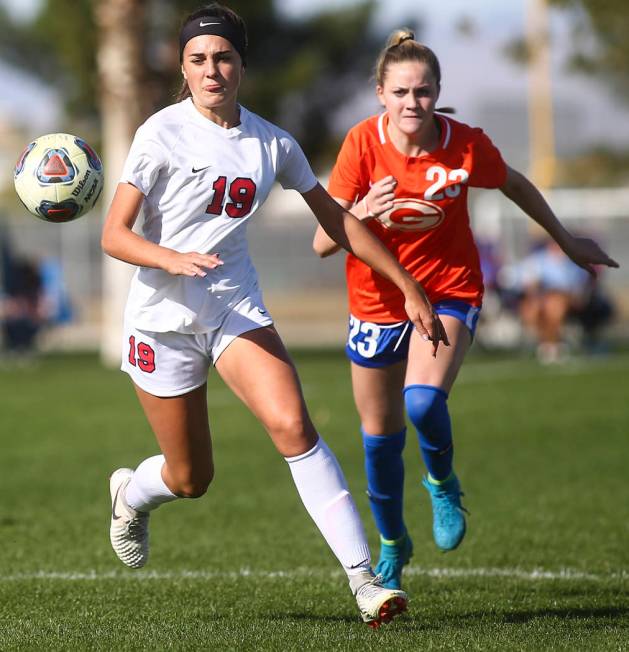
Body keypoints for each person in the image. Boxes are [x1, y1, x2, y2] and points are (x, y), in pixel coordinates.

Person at [101, 3, 447, 627]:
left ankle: (366, 582)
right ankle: (130, 495)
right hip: (160, 316)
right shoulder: (159, 132)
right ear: (182, 67)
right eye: (199, 59)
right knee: (190, 477)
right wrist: (170, 257)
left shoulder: (271, 142)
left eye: (224, 57)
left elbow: (338, 220)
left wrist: (407, 285)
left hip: (233, 305)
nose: (212, 71)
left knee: (294, 426)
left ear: (241, 64)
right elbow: (114, 236)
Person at [313, 29, 619, 590]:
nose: (412, 104)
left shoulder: (464, 143)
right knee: (379, 437)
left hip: (449, 291)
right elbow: (322, 242)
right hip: (375, 302)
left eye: (423, 92)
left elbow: (514, 184)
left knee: (424, 402)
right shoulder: (360, 144)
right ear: (381, 93)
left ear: (437, 92)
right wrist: (361, 209)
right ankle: (392, 542)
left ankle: (442, 482)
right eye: (401, 92)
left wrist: (567, 240)